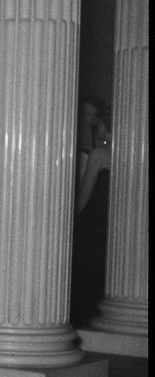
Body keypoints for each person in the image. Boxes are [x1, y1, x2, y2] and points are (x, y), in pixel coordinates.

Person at [71, 105, 111, 327]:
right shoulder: (133, 155)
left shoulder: (98, 155)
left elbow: (83, 197)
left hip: (92, 223)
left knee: (84, 275)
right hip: (111, 224)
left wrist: (70, 222)